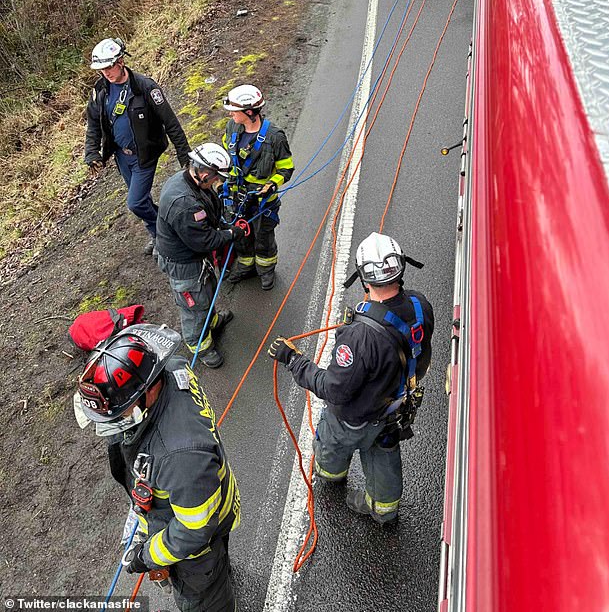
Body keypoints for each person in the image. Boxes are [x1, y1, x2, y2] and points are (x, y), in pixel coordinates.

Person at [269, 232, 434, 524]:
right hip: (395, 409)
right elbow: (418, 356)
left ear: (363, 279)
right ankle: (384, 510)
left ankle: (331, 475)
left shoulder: (359, 336)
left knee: (332, 443)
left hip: (355, 418)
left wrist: (294, 360)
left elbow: (335, 389)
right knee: (384, 454)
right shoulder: (421, 306)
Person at [77, 324, 240, 612]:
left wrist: (147, 555)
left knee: (203, 598)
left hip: (197, 544)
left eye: (119, 410)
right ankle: (220, 575)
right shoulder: (173, 369)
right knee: (218, 560)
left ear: (147, 390)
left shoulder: (178, 457)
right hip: (208, 496)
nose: (113, 423)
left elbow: (193, 530)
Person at [84, 38, 190, 255]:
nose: (106, 73)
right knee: (143, 199)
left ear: (121, 61)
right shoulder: (100, 90)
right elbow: (94, 123)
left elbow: (170, 122)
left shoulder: (145, 87)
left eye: (109, 67)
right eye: (101, 69)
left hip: (145, 154)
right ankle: (158, 234)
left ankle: (165, 231)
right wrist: (92, 152)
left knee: (135, 203)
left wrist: (184, 154)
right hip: (122, 157)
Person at [155, 143, 249, 368]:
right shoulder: (184, 204)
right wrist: (231, 234)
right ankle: (199, 344)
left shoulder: (190, 181)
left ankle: (212, 320)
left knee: (206, 292)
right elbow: (204, 241)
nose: (216, 181)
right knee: (194, 306)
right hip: (184, 265)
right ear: (205, 173)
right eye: (216, 177)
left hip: (195, 258)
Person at [221, 84, 294, 290]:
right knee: (240, 234)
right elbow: (228, 157)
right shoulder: (231, 128)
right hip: (237, 198)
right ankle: (246, 266)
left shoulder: (275, 137)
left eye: (235, 110)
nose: (231, 113)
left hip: (263, 202)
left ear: (250, 112)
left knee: (263, 237)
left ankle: (266, 269)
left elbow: (286, 168)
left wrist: (272, 184)